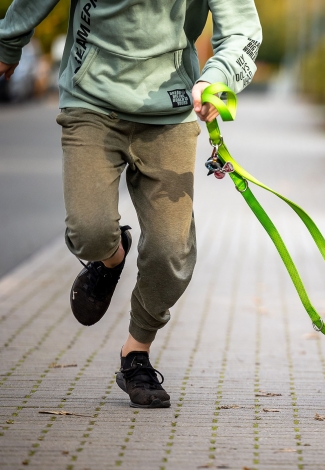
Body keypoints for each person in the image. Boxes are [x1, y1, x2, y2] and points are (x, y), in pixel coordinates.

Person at [0, 0, 262, 408]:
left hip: (171, 111)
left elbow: (243, 30)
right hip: (91, 101)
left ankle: (135, 352)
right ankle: (111, 256)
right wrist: (8, 43)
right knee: (88, 232)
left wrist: (217, 77)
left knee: (171, 253)